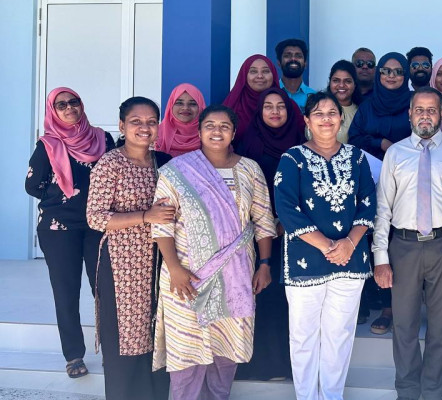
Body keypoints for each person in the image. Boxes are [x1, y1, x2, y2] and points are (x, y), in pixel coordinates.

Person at [152, 105, 276, 400]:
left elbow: (263, 220)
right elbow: (162, 226)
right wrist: (175, 268)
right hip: (185, 277)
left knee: (226, 347)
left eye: (224, 126)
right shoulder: (176, 171)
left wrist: (265, 264)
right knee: (187, 348)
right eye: (209, 125)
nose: (216, 131)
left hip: (236, 274)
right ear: (199, 130)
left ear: (234, 132)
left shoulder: (249, 169)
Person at [274, 92, 377, 400]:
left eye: (332, 112)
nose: (327, 118)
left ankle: (332, 397)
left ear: (341, 119)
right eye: (318, 113)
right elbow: (286, 208)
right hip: (306, 260)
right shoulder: (292, 159)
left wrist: (348, 243)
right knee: (304, 337)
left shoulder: (357, 158)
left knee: (339, 336)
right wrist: (327, 245)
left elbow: (369, 205)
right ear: (307, 121)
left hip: (351, 258)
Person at [373, 87, 442, 400]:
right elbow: (383, 208)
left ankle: (433, 392)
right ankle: (407, 390)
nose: (426, 115)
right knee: (404, 325)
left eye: (432, 110)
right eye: (420, 109)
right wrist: (380, 257)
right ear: (410, 113)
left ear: (441, 114)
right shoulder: (396, 153)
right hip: (403, 247)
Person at [25, 87, 115, 379]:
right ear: (53, 111)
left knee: (104, 289)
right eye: (61, 104)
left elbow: (116, 175)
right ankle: (74, 355)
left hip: (98, 226)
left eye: (73, 102)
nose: (68, 108)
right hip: (58, 229)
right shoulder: (48, 145)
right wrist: (61, 198)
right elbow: (32, 185)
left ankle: (113, 351)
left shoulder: (103, 139)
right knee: (66, 292)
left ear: (81, 104)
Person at [86, 97, 172, 400]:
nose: (144, 127)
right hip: (123, 265)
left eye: (151, 121)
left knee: (156, 333)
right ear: (122, 126)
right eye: (136, 121)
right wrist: (146, 216)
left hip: (160, 262)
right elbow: (95, 217)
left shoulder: (163, 162)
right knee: (125, 337)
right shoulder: (110, 164)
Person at [234, 87, 306, 382]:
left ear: (291, 112)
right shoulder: (247, 144)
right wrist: (263, 222)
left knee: (291, 299)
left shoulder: (303, 144)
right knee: (261, 294)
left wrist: (287, 220)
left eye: (281, 106)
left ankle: (290, 365)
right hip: (256, 234)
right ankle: (259, 364)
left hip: (298, 234)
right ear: (259, 112)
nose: (275, 112)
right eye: (268, 107)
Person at [348, 52, 413, 159]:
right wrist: (380, 143)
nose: (391, 76)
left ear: (406, 75)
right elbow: (354, 139)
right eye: (386, 71)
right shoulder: (367, 106)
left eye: (398, 71)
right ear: (379, 74)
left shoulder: (415, 103)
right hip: (371, 170)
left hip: (407, 167)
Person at [224, 54, 280, 140]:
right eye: (253, 72)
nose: (260, 76)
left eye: (265, 71)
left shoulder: (287, 106)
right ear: (244, 76)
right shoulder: (232, 104)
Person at [155, 83, 206, 157]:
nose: (185, 108)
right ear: (171, 106)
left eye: (192, 104)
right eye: (179, 103)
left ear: (200, 107)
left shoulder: (209, 135)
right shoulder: (155, 135)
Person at [325, 60, 362, 143]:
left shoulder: (362, 111)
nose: (341, 85)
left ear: (354, 84)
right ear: (330, 82)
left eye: (347, 81)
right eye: (336, 80)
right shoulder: (319, 109)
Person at [276, 38, 316, 108]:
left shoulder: (314, 97)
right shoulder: (270, 93)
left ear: (305, 63)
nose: (293, 59)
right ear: (279, 62)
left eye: (298, 56)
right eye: (287, 56)